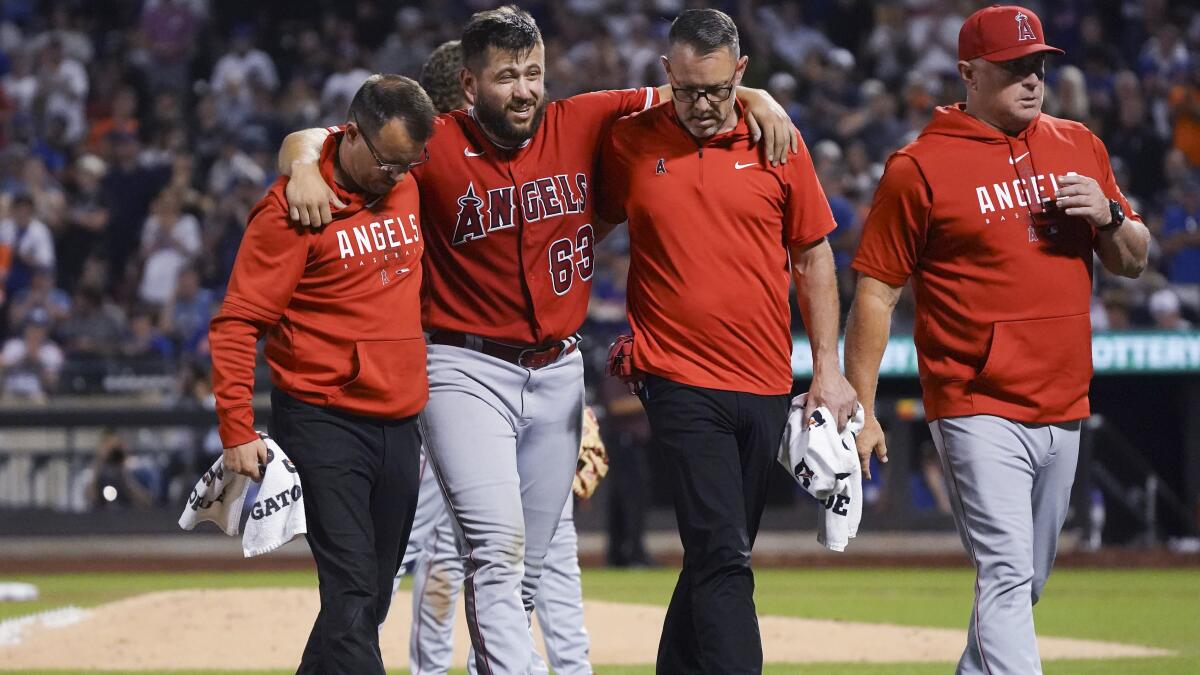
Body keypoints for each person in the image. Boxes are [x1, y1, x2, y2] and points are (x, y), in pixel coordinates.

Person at [277, 7, 798, 673]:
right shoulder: (437, 143)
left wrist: (758, 96)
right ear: (470, 85)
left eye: (532, 73)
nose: (524, 89)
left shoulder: (578, 118)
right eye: (506, 76)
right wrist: (301, 165)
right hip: (463, 364)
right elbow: (316, 138)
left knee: (524, 570)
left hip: (557, 369)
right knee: (496, 550)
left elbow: (691, 87)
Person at [844, 6, 1150, 675]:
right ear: (968, 74)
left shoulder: (1079, 144)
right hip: (973, 398)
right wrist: (861, 406)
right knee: (1007, 572)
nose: (1031, 79)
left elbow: (1133, 259)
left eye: (1037, 65)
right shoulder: (919, 167)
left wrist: (1111, 212)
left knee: (1022, 582)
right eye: (1013, 68)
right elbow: (875, 289)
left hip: (1064, 396)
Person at [595, 10, 856, 673]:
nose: (703, 105)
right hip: (676, 377)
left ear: (740, 73)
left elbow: (813, 256)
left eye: (716, 90)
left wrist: (828, 367)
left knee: (718, 550)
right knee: (722, 552)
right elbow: (582, 230)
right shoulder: (630, 143)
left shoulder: (778, 140)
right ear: (666, 76)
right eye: (688, 90)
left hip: (765, 380)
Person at [209, 74, 436, 675]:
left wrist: (306, 154)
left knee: (372, 593)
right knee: (355, 586)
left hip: (401, 418)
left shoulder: (404, 178)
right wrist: (237, 428)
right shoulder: (293, 210)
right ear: (354, 135)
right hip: (324, 418)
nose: (397, 177)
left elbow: (311, 139)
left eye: (408, 166)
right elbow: (236, 323)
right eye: (388, 163)